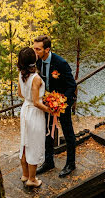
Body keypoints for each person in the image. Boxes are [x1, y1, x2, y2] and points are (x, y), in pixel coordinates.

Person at [33, 35, 77, 178]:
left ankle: (71, 163)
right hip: (46, 104)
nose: (35, 52)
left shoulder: (61, 63)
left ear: (47, 49)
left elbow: (72, 85)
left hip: (62, 103)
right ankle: (48, 161)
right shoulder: (37, 62)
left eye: (38, 49)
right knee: (47, 132)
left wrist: (62, 103)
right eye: (34, 48)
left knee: (68, 132)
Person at [17, 47, 50, 188]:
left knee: (25, 143)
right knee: (34, 144)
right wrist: (50, 109)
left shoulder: (21, 74)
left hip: (25, 109)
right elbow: (37, 103)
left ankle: (25, 175)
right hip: (34, 113)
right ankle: (32, 179)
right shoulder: (35, 78)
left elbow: (20, 94)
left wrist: (29, 98)